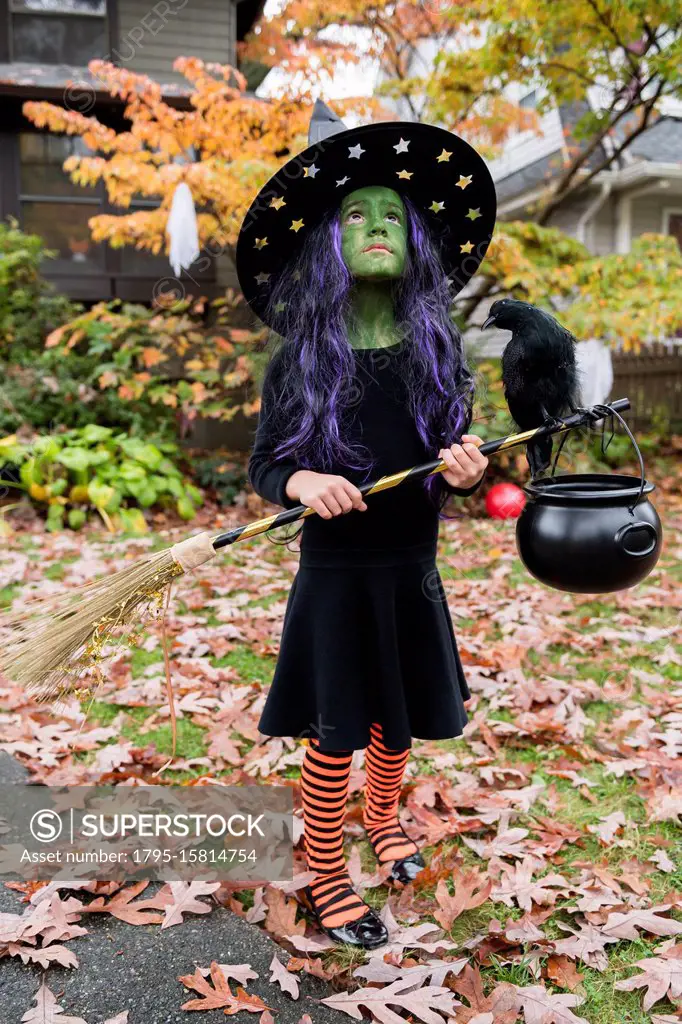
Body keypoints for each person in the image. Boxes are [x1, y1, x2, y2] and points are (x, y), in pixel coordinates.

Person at [236, 100, 496, 950]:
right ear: (329, 245)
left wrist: (465, 472)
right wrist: (305, 478)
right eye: (358, 215)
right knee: (336, 726)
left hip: (411, 568)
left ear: (417, 242)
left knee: (399, 717)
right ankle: (322, 864)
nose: (378, 227)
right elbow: (267, 465)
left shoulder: (438, 354)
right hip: (335, 575)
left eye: (395, 215)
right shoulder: (301, 360)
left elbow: (449, 463)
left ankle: (383, 817)